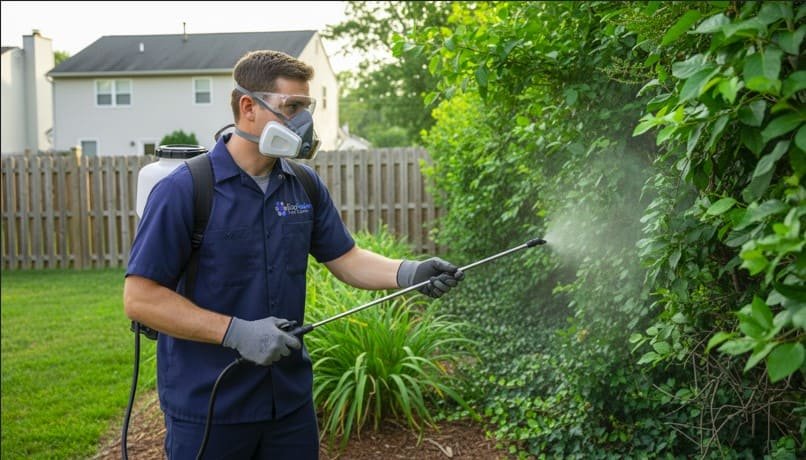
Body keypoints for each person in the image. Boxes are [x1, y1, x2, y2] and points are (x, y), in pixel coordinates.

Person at [123, 49, 464, 460]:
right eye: (292, 107)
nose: (303, 122)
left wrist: (410, 272)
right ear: (247, 107)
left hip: (289, 405)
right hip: (210, 407)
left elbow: (347, 257)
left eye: (307, 107)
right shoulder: (185, 190)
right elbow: (140, 299)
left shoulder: (302, 184)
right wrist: (235, 332)